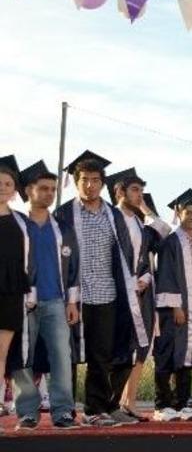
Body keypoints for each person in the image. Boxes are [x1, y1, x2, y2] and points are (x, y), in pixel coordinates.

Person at [54, 151, 147, 427]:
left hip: (107, 293)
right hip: (74, 295)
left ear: (102, 184)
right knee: (67, 354)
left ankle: (95, 409)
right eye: (84, 180)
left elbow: (125, 254)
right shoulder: (64, 214)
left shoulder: (114, 215)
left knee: (101, 355)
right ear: (76, 182)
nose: (90, 185)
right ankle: (64, 410)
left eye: (95, 180)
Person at [9, 160, 79, 430]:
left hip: (56, 302)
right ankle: (27, 412)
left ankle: (63, 411)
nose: (49, 193)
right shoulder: (16, 224)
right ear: (29, 190)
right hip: (22, 302)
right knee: (22, 358)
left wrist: (72, 301)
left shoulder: (62, 228)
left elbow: (73, 267)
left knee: (61, 356)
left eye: (53, 189)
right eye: (43, 188)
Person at [103, 168, 171, 422]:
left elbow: (164, 229)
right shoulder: (109, 218)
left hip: (141, 294)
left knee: (139, 347)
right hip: (115, 295)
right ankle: (106, 404)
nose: (139, 195)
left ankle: (127, 402)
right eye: (134, 190)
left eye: (141, 191)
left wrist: (144, 208)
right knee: (116, 349)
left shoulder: (140, 225)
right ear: (119, 192)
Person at [152, 189, 192, 422]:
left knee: (187, 355)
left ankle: (182, 403)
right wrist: (176, 306)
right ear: (179, 212)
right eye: (189, 212)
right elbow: (165, 274)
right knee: (166, 353)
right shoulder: (171, 242)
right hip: (173, 309)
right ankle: (162, 404)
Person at [0, 155, 35, 427]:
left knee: (2, 353)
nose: (2, 188)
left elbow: (29, 260)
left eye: (8, 184)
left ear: (14, 190)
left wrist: (31, 292)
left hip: (11, 292)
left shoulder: (22, 221)